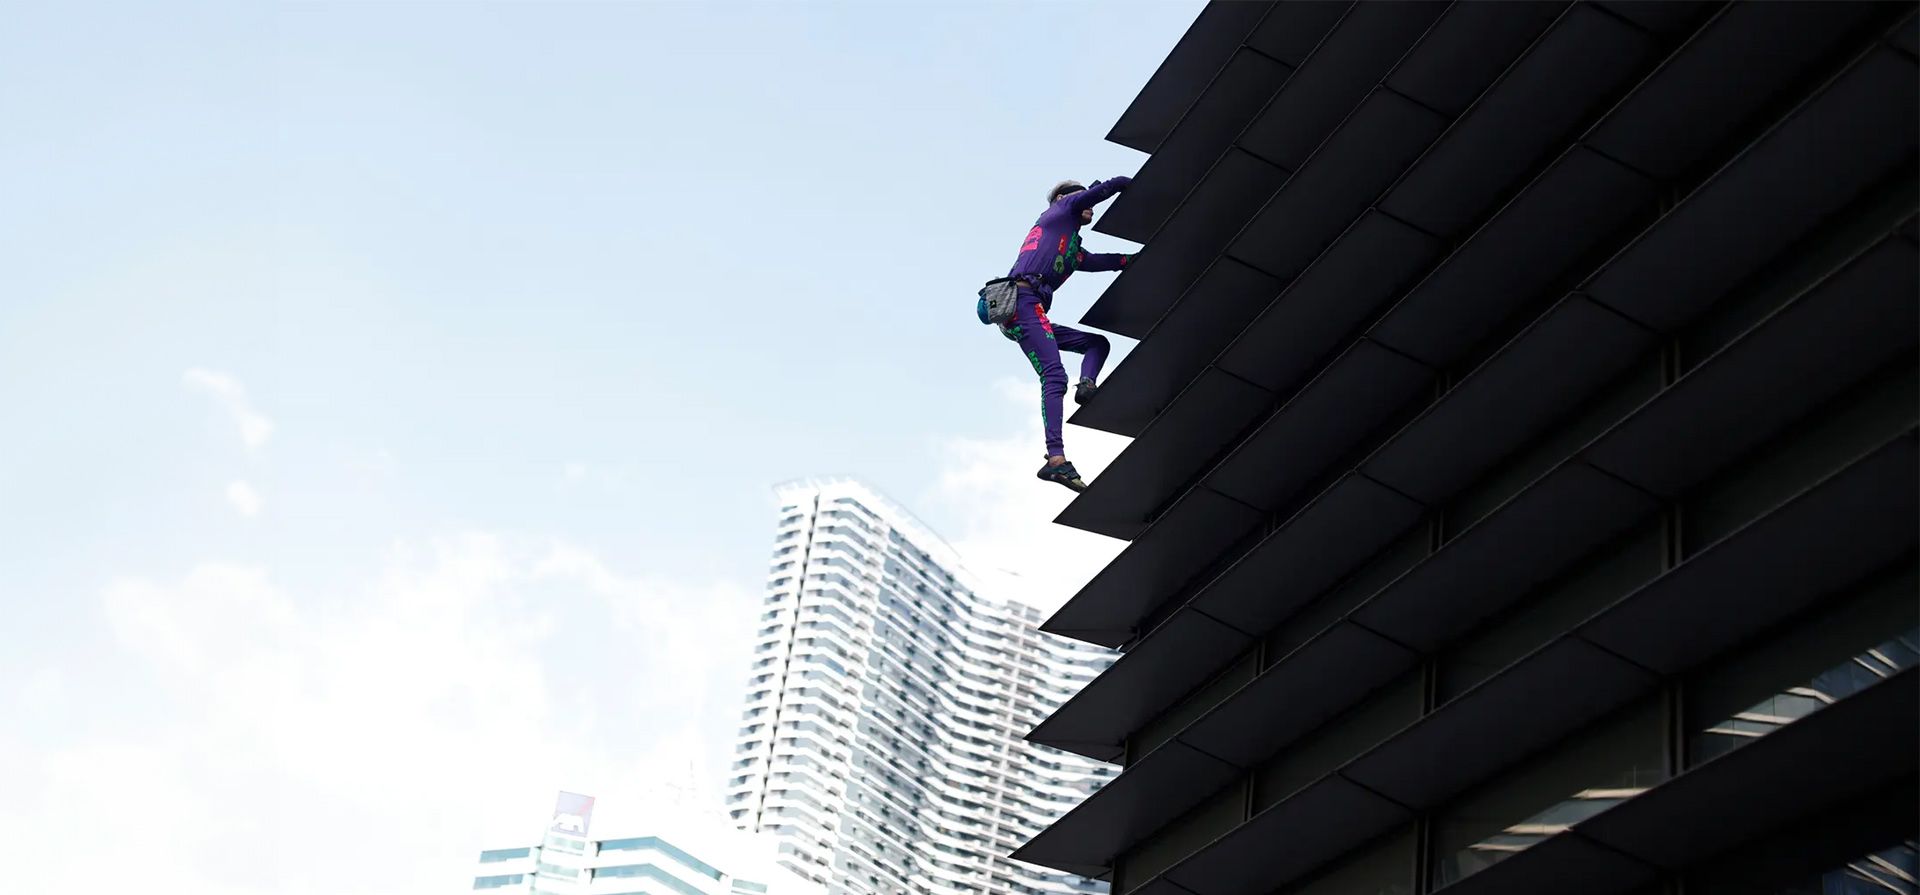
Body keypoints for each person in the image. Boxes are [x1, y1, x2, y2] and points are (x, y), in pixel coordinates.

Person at [1002, 176, 1134, 492]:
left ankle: (1087, 385)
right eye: (1081, 196)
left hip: (1029, 310)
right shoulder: (1059, 211)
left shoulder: (1072, 248)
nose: (1087, 202)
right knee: (1054, 377)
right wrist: (1138, 184)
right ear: (1063, 197)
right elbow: (1108, 187)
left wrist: (1135, 260)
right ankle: (1056, 460)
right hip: (1023, 301)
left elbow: (1108, 261)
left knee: (1097, 343)